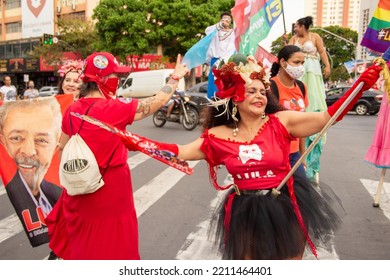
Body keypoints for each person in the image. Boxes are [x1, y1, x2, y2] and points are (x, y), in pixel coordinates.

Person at [139, 54, 380, 259]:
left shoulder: (281, 121)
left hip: (283, 206)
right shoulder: (217, 135)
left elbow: (324, 119)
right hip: (245, 213)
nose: (260, 96)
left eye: (263, 91)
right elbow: (180, 153)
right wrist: (138, 143)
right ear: (235, 97)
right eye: (251, 91)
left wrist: (358, 88)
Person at [46, 52, 189, 260]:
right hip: (111, 192)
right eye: (114, 76)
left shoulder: (72, 110)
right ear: (102, 80)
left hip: (79, 191)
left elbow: (62, 148)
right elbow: (159, 100)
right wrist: (175, 77)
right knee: (115, 246)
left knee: (84, 247)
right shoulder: (117, 108)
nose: (118, 81)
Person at [0, 97, 63, 247]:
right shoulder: (14, 188)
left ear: (55, 147)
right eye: (16, 138)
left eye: (41, 140)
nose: (29, 151)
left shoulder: (60, 193)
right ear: (4, 143)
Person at [284, 16, 331, 183]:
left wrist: (327, 65)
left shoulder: (315, 37)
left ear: (303, 26)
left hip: (312, 71)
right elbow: (286, 53)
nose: (295, 28)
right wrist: (285, 42)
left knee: (311, 101)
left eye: (297, 25)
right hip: (298, 72)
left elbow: (323, 52)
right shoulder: (293, 39)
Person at [270, 45, 308, 178]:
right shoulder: (270, 87)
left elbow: (303, 126)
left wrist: (302, 156)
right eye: (296, 62)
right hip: (274, 155)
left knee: (300, 194)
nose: (300, 67)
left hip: (294, 154)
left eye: (302, 63)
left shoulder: (302, 87)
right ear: (282, 62)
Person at [205, 11, 236, 99]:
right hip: (214, 61)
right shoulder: (215, 31)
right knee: (213, 87)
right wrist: (220, 25)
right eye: (224, 18)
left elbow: (231, 49)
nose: (226, 20)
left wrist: (222, 61)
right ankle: (212, 106)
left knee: (223, 86)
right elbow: (207, 31)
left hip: (225, 62)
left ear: (231, 21)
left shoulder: (232, 33)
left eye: (228, 19)